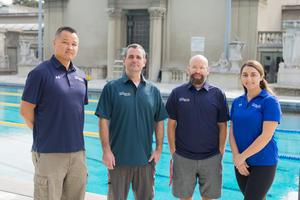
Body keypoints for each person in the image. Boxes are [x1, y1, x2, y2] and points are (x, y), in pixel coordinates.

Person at [20, 26, 88, 200]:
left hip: (78, 153)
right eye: (65, 42)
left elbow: (76, 111)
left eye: (74, 44)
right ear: (54, 43)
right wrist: (44, 133)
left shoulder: (81, 77)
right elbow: (25, 111)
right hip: (50, 153)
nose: (70, 47)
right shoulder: (40, 73)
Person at [95, 43, 168, 200]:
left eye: (138, 57)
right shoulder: (112, 88)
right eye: (131, 57)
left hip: (146, 162)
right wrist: (106, 151)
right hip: (118, 161)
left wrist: (159, 149)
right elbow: (103, 121)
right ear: (124, 60)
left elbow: (160, 121)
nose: (134, 60)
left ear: (144, 62)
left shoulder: (153, 90)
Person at [166, 55, 229, 200]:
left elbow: (223, 126)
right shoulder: (177, 93)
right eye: (194, 67)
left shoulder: (218, 94)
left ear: (208, 70)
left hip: (211, 157)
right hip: (183, 156)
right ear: (188, 69)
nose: (197, 71)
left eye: (201, 67)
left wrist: (220, 152)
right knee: (184, 197)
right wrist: (172, 150)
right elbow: (170, 124)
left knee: (208, 197)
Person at [229, 60, 281, 200]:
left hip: (264, 162)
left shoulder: (270, 101)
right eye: (245, 75)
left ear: (261, 77)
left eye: (253, 74)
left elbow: (266, 136)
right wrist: (236, 157)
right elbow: (232, 133)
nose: (249, 78)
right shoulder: (237, 102)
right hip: (241, 163)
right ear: (241, 77)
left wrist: (242, 157)